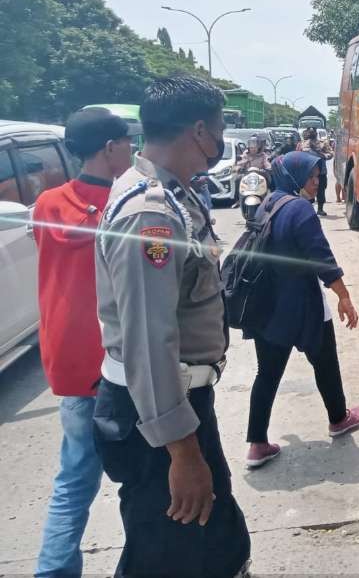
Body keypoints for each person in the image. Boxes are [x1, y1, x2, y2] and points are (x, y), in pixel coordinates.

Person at [93, 76, 251, 577]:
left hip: (178, 406)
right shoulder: (150, 215)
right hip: (158, 420)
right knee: (167, 554)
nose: (222, 139)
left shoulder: (174, 194)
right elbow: (147, 340)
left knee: (214, 543)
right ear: (200, 130)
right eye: (222, 127)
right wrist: (181, 450)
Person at [33, 108, 136, 577]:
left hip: (65, 364)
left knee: (73, 481)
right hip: (113, 365)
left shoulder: (47, 203)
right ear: (110, 148)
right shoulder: (126, 205)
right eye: (126, 142)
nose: (132, 150)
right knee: (141, 481)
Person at [243, 151, 359, 468]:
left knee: (267, 373)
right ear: (296, 176)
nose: (317, 181)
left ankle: (257, 444)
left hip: (266, 307)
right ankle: (339, 419)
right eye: (312, 176)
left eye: (317, 175)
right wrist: (344, 295)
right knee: (325, 362)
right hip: (301, 305)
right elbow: (320, 258)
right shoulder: (299, 209)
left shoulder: (268, 202)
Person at [296, 128, 330, 216]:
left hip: (321, 171)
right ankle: (308, 208)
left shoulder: (322, 143)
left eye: (313, 131)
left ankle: (320, 209)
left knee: (321, 189)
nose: (311, 133)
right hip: (307, 172)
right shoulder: (302, 144)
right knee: (307, 190)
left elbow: (330, 153)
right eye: (309, 131)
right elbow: (297, 155)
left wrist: (323, 155)